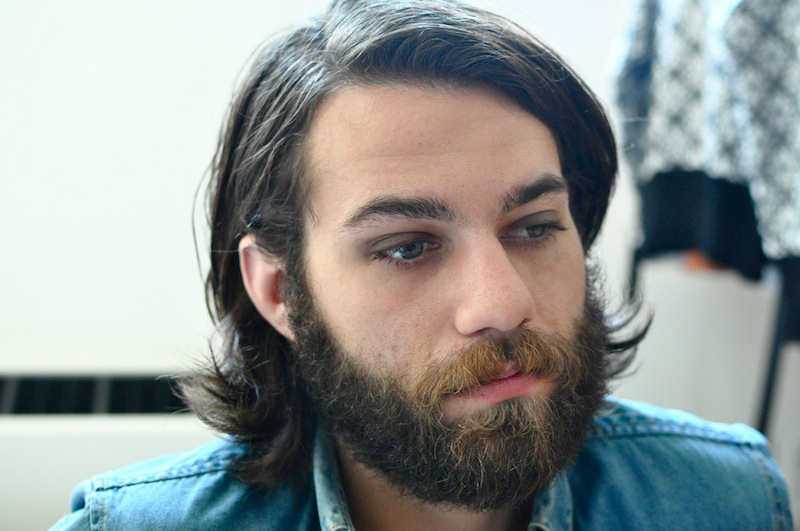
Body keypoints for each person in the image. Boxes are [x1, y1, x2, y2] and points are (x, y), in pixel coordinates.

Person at [52, 0, 793, 529]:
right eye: (407, 247)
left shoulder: (727, 501)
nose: (501, 303)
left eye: (535, 227)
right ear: (279, 291)